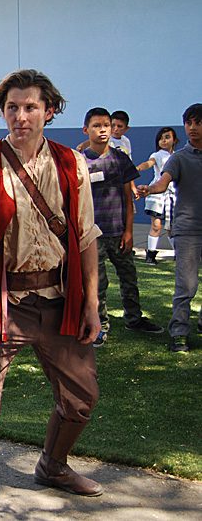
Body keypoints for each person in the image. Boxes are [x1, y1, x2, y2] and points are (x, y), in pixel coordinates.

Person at [0, 69, 103, 521]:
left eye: (30, 107)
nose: (21, 116)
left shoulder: (71, 163)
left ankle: (53, 465)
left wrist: (91, 304)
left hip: (59, 299)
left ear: (49, 111)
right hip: (3, 302)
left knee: (82, 397)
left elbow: (85, 237)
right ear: (2, 112)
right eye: (12, 107)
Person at [81, 108, 162, 346]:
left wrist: (128, 231)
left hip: (118, 232)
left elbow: (127, 198)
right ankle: (100, 325)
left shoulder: (120, 159)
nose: (103, 130)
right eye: (97, 125)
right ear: (86, 130)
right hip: (93, 236)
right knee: (97, 284)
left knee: (129, 277)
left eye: (106, 125)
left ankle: (134, 319)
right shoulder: (79, 162)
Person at [137, 103, 202, 354]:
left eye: (198, 123)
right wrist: (149, 189)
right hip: (187, 230)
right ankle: (179, 333)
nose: (193, 128)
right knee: (186, 286)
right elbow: (163, 182)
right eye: (189, 123)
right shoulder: (179, 158)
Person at [135, 127, 178, 265]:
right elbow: (149, 163)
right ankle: (150, 254)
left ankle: (178, 254)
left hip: (173, 195)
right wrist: (138, 168)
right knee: (156, 225)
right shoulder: (157, 155)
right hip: (157, 194)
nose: (163, 140)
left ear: (174, 140)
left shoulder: (177, 156)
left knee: (172, 227)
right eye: (161, 138)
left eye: (167, 137)